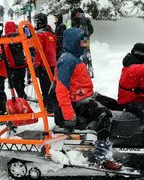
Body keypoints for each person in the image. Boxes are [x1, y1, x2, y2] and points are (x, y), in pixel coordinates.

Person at [54, 27, 121, 170]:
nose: (85, 45)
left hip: (86, 95)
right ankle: (102, 157)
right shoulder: (67, 60)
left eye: (86, 43)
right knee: (105, 115)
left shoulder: (74, 57)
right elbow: (61, 89)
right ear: (74, 42)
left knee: (117, 104)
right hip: (78, 101)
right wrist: (69, 115)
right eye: (82, 43)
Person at [33, 13, 57, 113]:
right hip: (52, 63)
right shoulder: (51, 33)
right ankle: (54, 105)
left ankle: (49, 107)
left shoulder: (40, 34)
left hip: (43, 64)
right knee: (52, 86)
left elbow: (39, 51)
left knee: (45, 87)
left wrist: (36, 64)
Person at [4, 22, 27, 99]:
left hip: (12, 65)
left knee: (16, 82)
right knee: (21, 81)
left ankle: (21, 95)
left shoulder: (4, 38)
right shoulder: (19, 36)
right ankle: (22, 94)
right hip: (22, 62)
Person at [71, 8, 94, 78]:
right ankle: (81, 71)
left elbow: (91, 30)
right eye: (76, 13)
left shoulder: (86, 20)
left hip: (84, 39)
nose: (78, 14)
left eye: (79, 13)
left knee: (86, 55)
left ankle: (90, 71)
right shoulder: (73, 21)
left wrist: (87, 35)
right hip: (76, 40)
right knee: (78, 56)